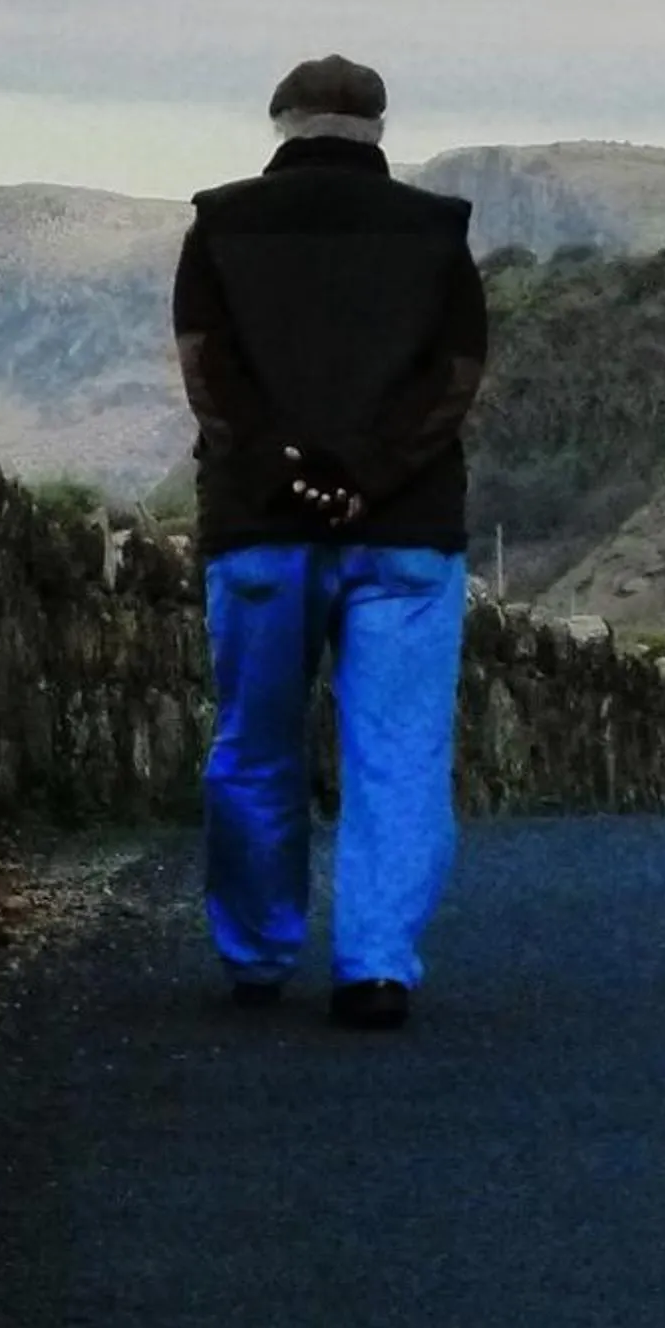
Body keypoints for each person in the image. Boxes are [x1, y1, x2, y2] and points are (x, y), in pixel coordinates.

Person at [170, 54, 488, 1029]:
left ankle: (257, 951)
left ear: (280, 121)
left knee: (253, 742)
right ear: (378, 129)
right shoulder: (436, 234)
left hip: (260, 528)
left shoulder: (218, 226)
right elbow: (453, 379)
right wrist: (363, 476)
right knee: (395, 748)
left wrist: (290, 477)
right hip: (401, 530)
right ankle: (375, 964)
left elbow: (210, 383)